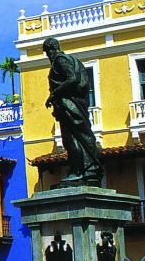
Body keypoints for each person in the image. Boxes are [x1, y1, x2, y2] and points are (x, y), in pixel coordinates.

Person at [42, 36, 103, 184]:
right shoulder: (73, 60)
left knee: (71, 138)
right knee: (80, 136)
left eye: (47, 52)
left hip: (69, 105)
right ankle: (88, 170)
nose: (48, 56)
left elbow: (72, 79)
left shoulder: (60, 60)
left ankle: (79, 171)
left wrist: (54, 94)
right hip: (75, 103)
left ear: (51, 49)